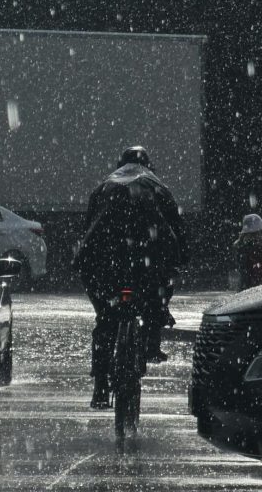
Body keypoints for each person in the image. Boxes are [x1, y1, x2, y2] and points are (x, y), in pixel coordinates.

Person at [72, 146, 189, 409]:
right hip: (146, 266)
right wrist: (180, 257)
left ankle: (100, 385)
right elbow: (177, 233)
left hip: (107, 267)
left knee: (105, 321)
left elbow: (89, 231)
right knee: (157, 300)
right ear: (148, 164)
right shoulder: (157, 186)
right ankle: (151, 341)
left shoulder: (104, 187)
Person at [232, 214, 262, 291]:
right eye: (255, 232)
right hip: (251, 280)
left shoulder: (261, 240)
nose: (258, 233)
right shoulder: (241, 244)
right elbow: (242, 264)